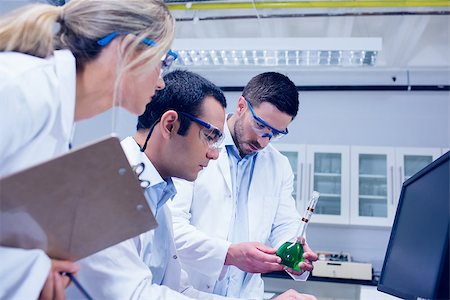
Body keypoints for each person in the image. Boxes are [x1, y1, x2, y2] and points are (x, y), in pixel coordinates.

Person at [67, 70, 316, 300]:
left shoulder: (159, 195)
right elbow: (134, 294)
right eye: (209, 137)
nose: (215, 153)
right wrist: (230, 254)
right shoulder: (109, 186)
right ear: (169, 125)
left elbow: (179, 290)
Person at [0, 0, 175, 298]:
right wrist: (31, 271)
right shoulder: (19, 89)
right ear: (128, 49)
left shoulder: (56, 114)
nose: (160, 82)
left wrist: (37, 270)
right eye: (164, 60)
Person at [168, 72, 319, 299]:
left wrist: (293, 253)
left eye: (275, 134)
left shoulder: (279, 166)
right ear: (241, 106)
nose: (264, 141)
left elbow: (285, 225)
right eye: (260, 126)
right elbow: (172, 228)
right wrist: (228, 254)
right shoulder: (198, 147)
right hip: (188, 292)